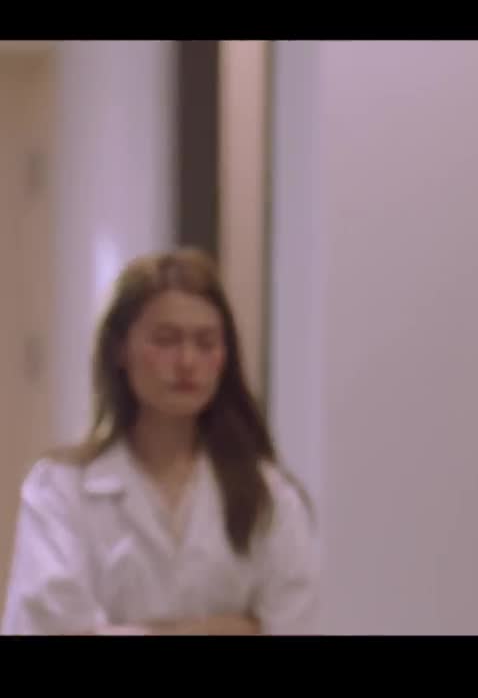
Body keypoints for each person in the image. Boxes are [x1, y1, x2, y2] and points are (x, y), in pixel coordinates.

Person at [1, 248, 318, 635]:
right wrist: (228, 628)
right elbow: (49, 627)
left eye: (206, 343)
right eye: (166, 340)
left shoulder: (269, 495)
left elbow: (293, 624)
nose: (187, 362)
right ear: (121, 349)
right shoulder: (60, 489)